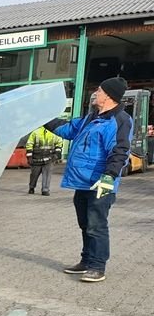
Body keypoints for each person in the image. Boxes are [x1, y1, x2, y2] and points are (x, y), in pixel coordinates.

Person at [45, 76, 132, 283]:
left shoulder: (120, 120)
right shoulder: (90, 118)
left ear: (109, 96)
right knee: (85, 224)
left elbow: (120, 151)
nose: (95, 93)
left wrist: (109, 177)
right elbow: (67, 129)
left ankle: (97, 266)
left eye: (99, 90)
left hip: (101, 183)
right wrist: (42, 119)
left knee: (96, 225)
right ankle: (86, 261)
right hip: (83, 182)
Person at [25, 125, 61, 195]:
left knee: (47, 175)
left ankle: (45, 190)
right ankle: (32, 187)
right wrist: (29, 157)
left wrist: (57, 153)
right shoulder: (36, 132)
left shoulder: (55, 133)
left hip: (49, 159)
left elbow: (59, 143)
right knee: (34, 175)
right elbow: (29, 144)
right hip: (36, 159)